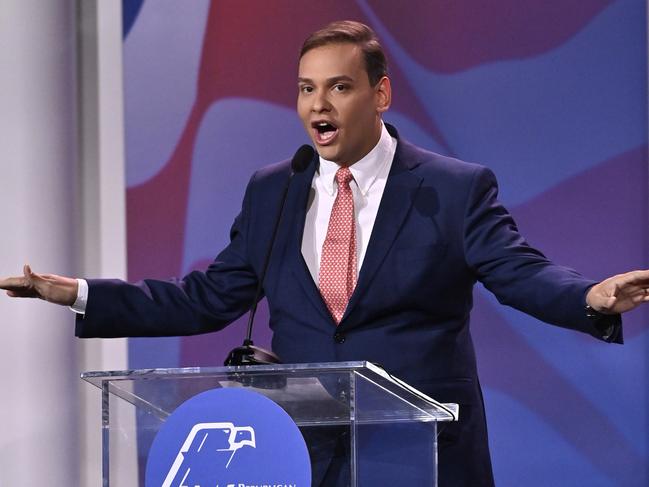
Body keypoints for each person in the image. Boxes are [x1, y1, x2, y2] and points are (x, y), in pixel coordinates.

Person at [1, 20, 648, 487]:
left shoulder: (449, 188)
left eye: (337, 87)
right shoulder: (272, 190)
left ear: (380, 94)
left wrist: (586, 297)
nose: (317, 105)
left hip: (420, 451)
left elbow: (517, 269)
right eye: (306, 89)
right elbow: (208, 297)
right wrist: (81, 293)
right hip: (306, 452)